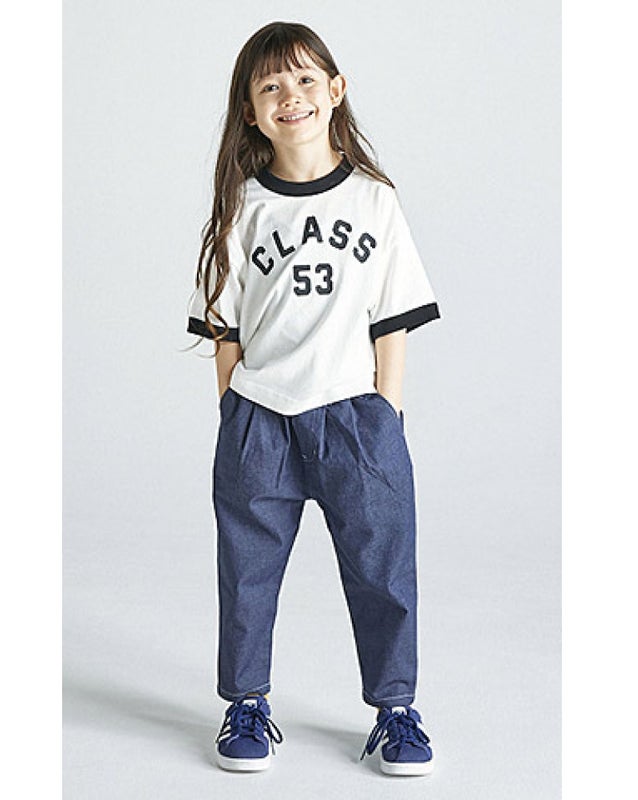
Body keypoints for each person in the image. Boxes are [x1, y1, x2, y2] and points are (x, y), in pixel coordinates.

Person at [186, 21, 441, 776]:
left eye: (303, 79)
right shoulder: (241, 207)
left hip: (356, 417)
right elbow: (225, 324)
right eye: (269, 85)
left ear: (335, 90)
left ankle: (395, 711)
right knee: (247, 571)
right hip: (260, 418)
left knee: (383, 569)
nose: (289, 96)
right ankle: (246, 703)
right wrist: (235, 409)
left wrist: (386, 412)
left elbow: (393, 318)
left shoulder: (374, 201)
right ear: (251, 111)